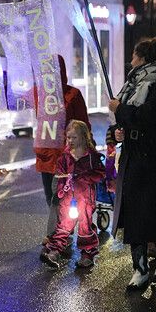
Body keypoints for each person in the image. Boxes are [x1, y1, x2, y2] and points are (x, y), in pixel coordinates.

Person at [109, 37, 156, 290]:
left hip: (155, 158)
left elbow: (148, 119)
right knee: (133, 214)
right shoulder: (133, 85)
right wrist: (116, 132)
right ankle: (140, 268)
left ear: (144, 58)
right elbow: (126, 123)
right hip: (133, 156)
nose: (130, 60)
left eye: (133, 55)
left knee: (154, 213)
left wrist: (120, 111)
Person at [36, 55, 91, 245]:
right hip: (45, 156)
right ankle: (62, 233)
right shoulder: (39, 93)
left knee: (59, 198)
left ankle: (57, 237)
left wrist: (82, 151)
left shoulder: (72, 95)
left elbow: (83, 124)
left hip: (65, 157)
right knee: (50, 198)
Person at [40, 120, 105, 269]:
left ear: (83, 136)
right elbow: (60, 175)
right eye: (68, 137)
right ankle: (54, 252)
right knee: (64, 224)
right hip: (68, 198)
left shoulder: (91, 156)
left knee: (85, 226)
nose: (70, 141)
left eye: (74, 137)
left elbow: (100, 174)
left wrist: (84, 177)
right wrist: (61, 191)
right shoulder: (65, 156)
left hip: (85, 198)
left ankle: (87, 255)